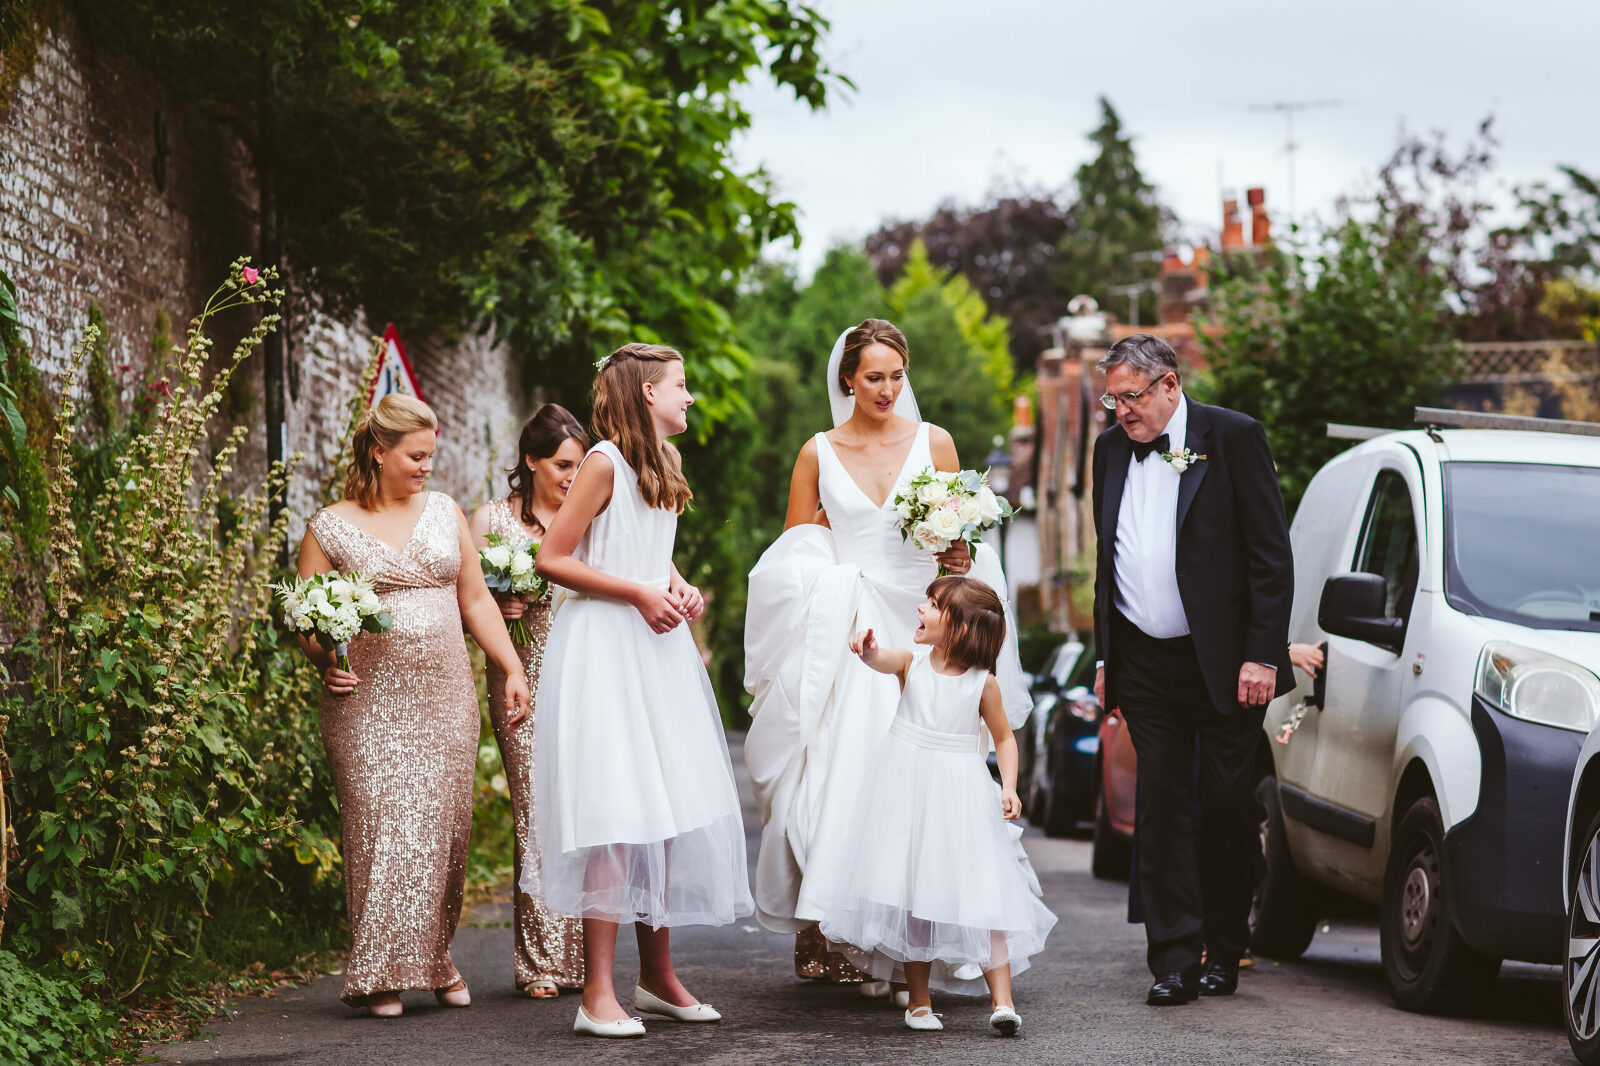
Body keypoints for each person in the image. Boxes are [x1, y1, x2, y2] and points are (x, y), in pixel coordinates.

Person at [743, 318, 1033, 995]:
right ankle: (845, 933)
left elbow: (960, 546)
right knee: (831, 784)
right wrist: (829, 583)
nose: (887, 388)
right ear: (848, 378)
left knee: (928, 786)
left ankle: (916, 942)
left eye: (897, 376)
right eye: (874, 376)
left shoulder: (934, 443)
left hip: (924, 624)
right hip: (850, 631)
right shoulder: (817, 451)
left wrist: (958, 555)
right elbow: (794, 554)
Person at [526, 343, 753, 1038]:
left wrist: (675, 582)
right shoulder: (601, 463)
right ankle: (596, 995)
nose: (690, 398)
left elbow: (642, 549)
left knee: (668, 812)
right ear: (646, 393)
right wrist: (637, 591)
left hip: (656, 652)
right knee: (616, 814)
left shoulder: (665, 463)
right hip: (606, 649)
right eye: (681, 386)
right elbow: (553, 557)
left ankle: (657, 977)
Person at [297, 393, 532, 1018]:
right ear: (379, 451)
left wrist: (511, 667)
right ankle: (379, 974)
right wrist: (326, 662)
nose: (427, 466)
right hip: (366, 703)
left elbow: (477, 599)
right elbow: (304, 618)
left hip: (445, 696)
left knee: (442, 834)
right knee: (381, 830)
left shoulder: (445, 510)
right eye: (416, 455)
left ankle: (435, 958)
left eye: (432, 455)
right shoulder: (329, 524)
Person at [1090, 333, 1294, 1006]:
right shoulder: (1109, 451)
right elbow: (1108, 561)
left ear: (1170, 385)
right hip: (1144, 659)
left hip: (1226, 661)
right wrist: (1104, 656)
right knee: (1162, 805)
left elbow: (1269, 555)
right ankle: (1173, 959)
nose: (1121, 411)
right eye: (1112, 398)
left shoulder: (1231, 437)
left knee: (1229, 806)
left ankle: (1225, 947)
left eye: (1132, 396)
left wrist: (1263, 654)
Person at [818, 578, 1056, 1036]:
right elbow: (879, 660)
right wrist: (866, 648)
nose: (920, 608)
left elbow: (1004, 738)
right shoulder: (912, 664)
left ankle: (1002, 1002)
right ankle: (919, 1003)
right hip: (908, 790)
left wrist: (1009, 785)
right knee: (915, 897)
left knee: (985, 892)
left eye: (932, 605)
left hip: (960, 793)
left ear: (962, 629)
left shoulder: (982, 685)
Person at [467, 404, 588, 998]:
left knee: (580, 813)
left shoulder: (590, 517)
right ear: (531, 461)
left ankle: (580, 961)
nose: (573, 475)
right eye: (563, 464)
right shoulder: (490, 521)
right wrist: (500, 602)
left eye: (580, 464)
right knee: (535, 814)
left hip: (582, 676)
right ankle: (540, 962)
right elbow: (464, 599)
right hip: (519, 677)